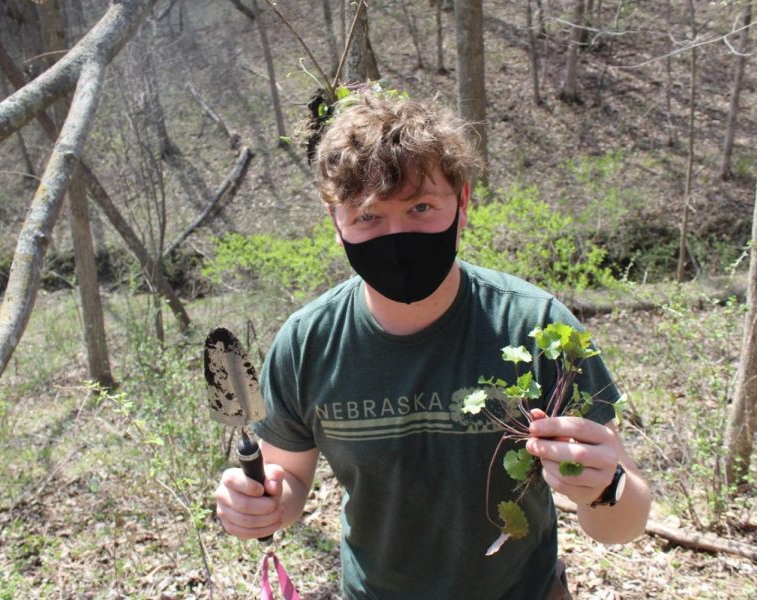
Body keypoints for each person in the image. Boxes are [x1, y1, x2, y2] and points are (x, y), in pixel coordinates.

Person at [214, 91, 652, 599]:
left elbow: (623, 525)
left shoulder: (536, 326)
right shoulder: (307, 343)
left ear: (463, 202)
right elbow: (286, 477)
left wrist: (604, 486)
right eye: (368, 217)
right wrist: (258, 502)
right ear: (336, 221)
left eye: (421, 207)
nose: (397, 236)